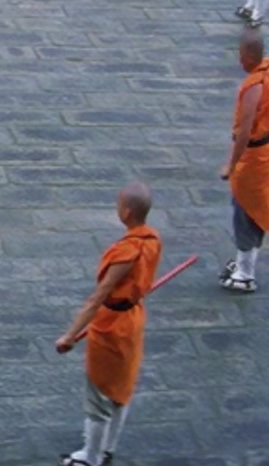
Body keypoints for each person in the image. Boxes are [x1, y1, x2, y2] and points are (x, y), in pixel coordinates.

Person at [54, 184, 162, 466]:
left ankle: (91, 457)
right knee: (121, 387)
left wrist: (69, 336)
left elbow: (97, 298)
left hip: (112, 325)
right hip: (132, 318)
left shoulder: (126, 252)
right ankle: (107, 448)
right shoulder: (151, 241)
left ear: (126, 212)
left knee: (100, 393)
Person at [219, 29, 269, 293]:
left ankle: (246, 273)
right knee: (254, 208)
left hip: (254, 157)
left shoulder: (253, 87)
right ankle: (244, 262)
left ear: (248, 56)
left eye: (241, 54)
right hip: (268, 148)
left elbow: (245, 131)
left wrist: (231, 165)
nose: (239, 59)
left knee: (245, 211)